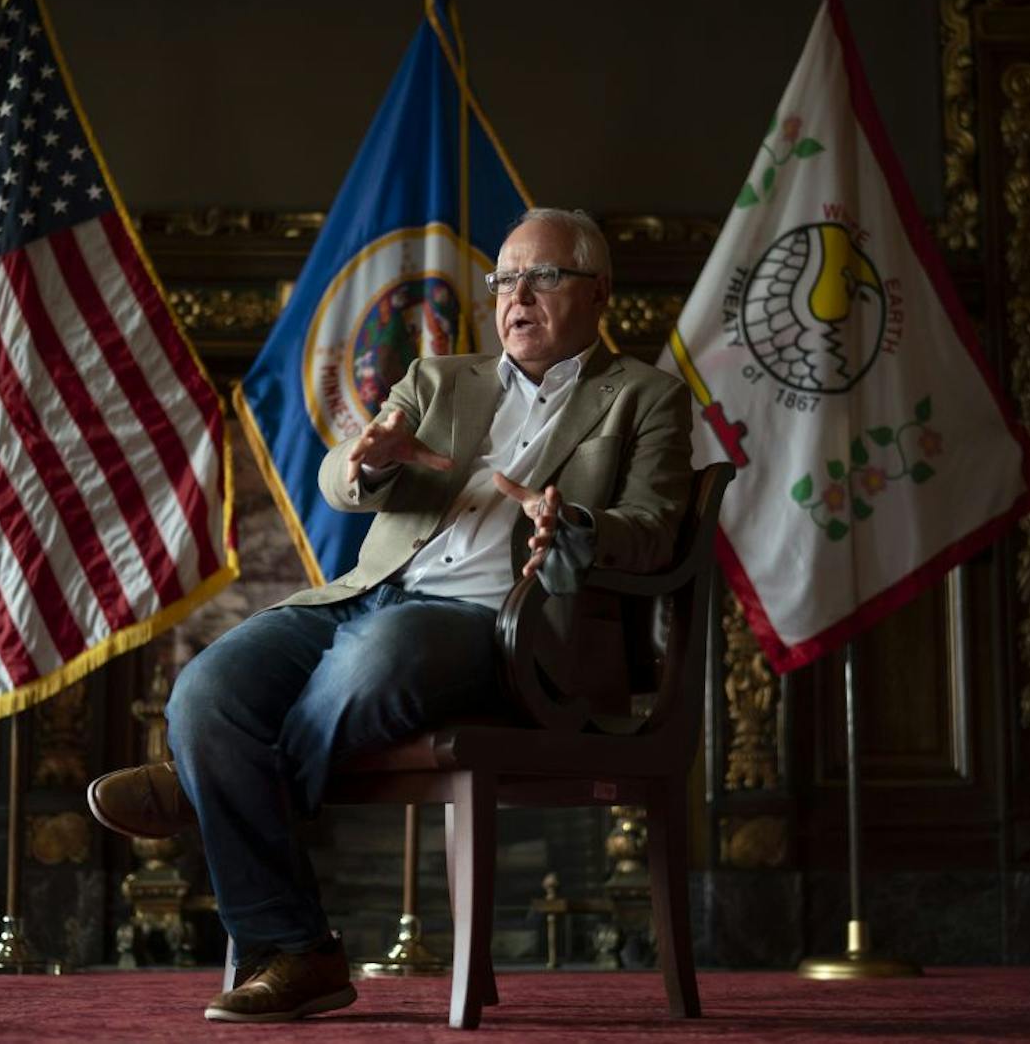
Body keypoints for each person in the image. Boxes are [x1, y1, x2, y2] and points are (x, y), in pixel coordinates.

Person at [86, 208, 694, 1023]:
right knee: (206, 687)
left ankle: (205, 796)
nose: (518, 295)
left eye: (543, 276)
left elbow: (655, 531)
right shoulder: (442, 379)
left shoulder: (645, 398)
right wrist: (364, 463)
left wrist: (578, 527)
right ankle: (301, 951)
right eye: (506, 278)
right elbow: (340, 477)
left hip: (503, 629)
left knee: (373, 658)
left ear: (599, 290)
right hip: (368, 593)